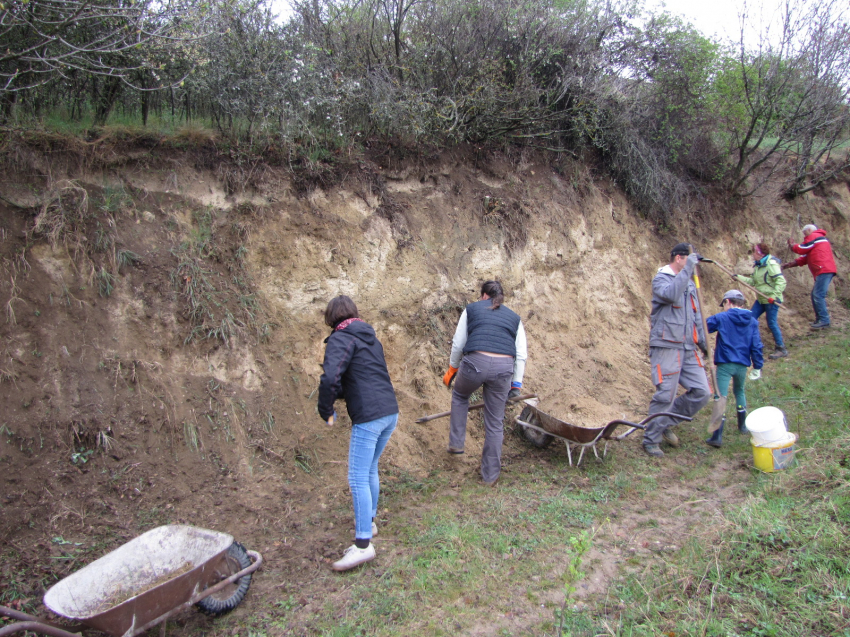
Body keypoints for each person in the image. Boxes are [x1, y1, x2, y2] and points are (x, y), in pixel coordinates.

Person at [318, 295, 399, 572]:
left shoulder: (340, 339)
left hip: (370, 416)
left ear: (332, 318)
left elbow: (331, 378)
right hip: (390, 411)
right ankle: (370, 523)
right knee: (369, 469)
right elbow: (362, 375)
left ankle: (363, 546)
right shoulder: (370, 338)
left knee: (356, 477)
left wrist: (326, 410)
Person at [443, 280, 527, 486]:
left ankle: (456, 443)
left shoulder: (471, 309)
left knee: (461, 396)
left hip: (475, 364)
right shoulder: (514, 318)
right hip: (503, 369)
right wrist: (516, 385)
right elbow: (521, 354)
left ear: (483, 296)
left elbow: (458, 343)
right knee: (495, 422)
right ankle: (490, 476)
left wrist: (453, 368)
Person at [643, 243, 711, 457]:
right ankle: (650, 439)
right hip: (667, 346)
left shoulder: (689, 284)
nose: (691, 264)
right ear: (679, 258)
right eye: (687, 260)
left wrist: (703, 341)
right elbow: (671, 295)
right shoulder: (661, 279)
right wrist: (690, 267)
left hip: (688, 348)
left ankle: (664, 422)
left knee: (702, 392)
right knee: (665, 395)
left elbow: (695, 314)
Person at [704, 290, 764, 448]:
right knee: (739, 391)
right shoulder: (752, 320)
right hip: (742, 365)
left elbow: (703, 327)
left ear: (728, 302)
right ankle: (742, 425)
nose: (723, 307)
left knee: (720, 396)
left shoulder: (722, 317)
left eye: (724, 303)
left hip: (725, 363)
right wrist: (757, 365)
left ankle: (717, 436)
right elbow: (756, 345)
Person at [733, 243, 787, 359]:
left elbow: (781, 281)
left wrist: (774, 296)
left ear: (759, 253)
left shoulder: (771, 264)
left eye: (754, 252)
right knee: (750, 319)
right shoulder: (758, 265)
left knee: (771, 323)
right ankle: (748, 346)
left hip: (772, 300)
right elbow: (753, 281)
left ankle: (781, 348)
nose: (752, 254)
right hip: (762, 299)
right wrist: (739, 277)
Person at [783, 224, 837, 330]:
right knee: (815, 294)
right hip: (824, 269)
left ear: (809, 230)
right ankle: (820, 319)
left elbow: (802, 248)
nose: (804, 237)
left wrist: (792, 245)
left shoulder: (815, 236)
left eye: (804, 233)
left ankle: (824, 320)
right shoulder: (819, 240)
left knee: (817, 295)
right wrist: (790, 264)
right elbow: (805, 258)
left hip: (823, 269)